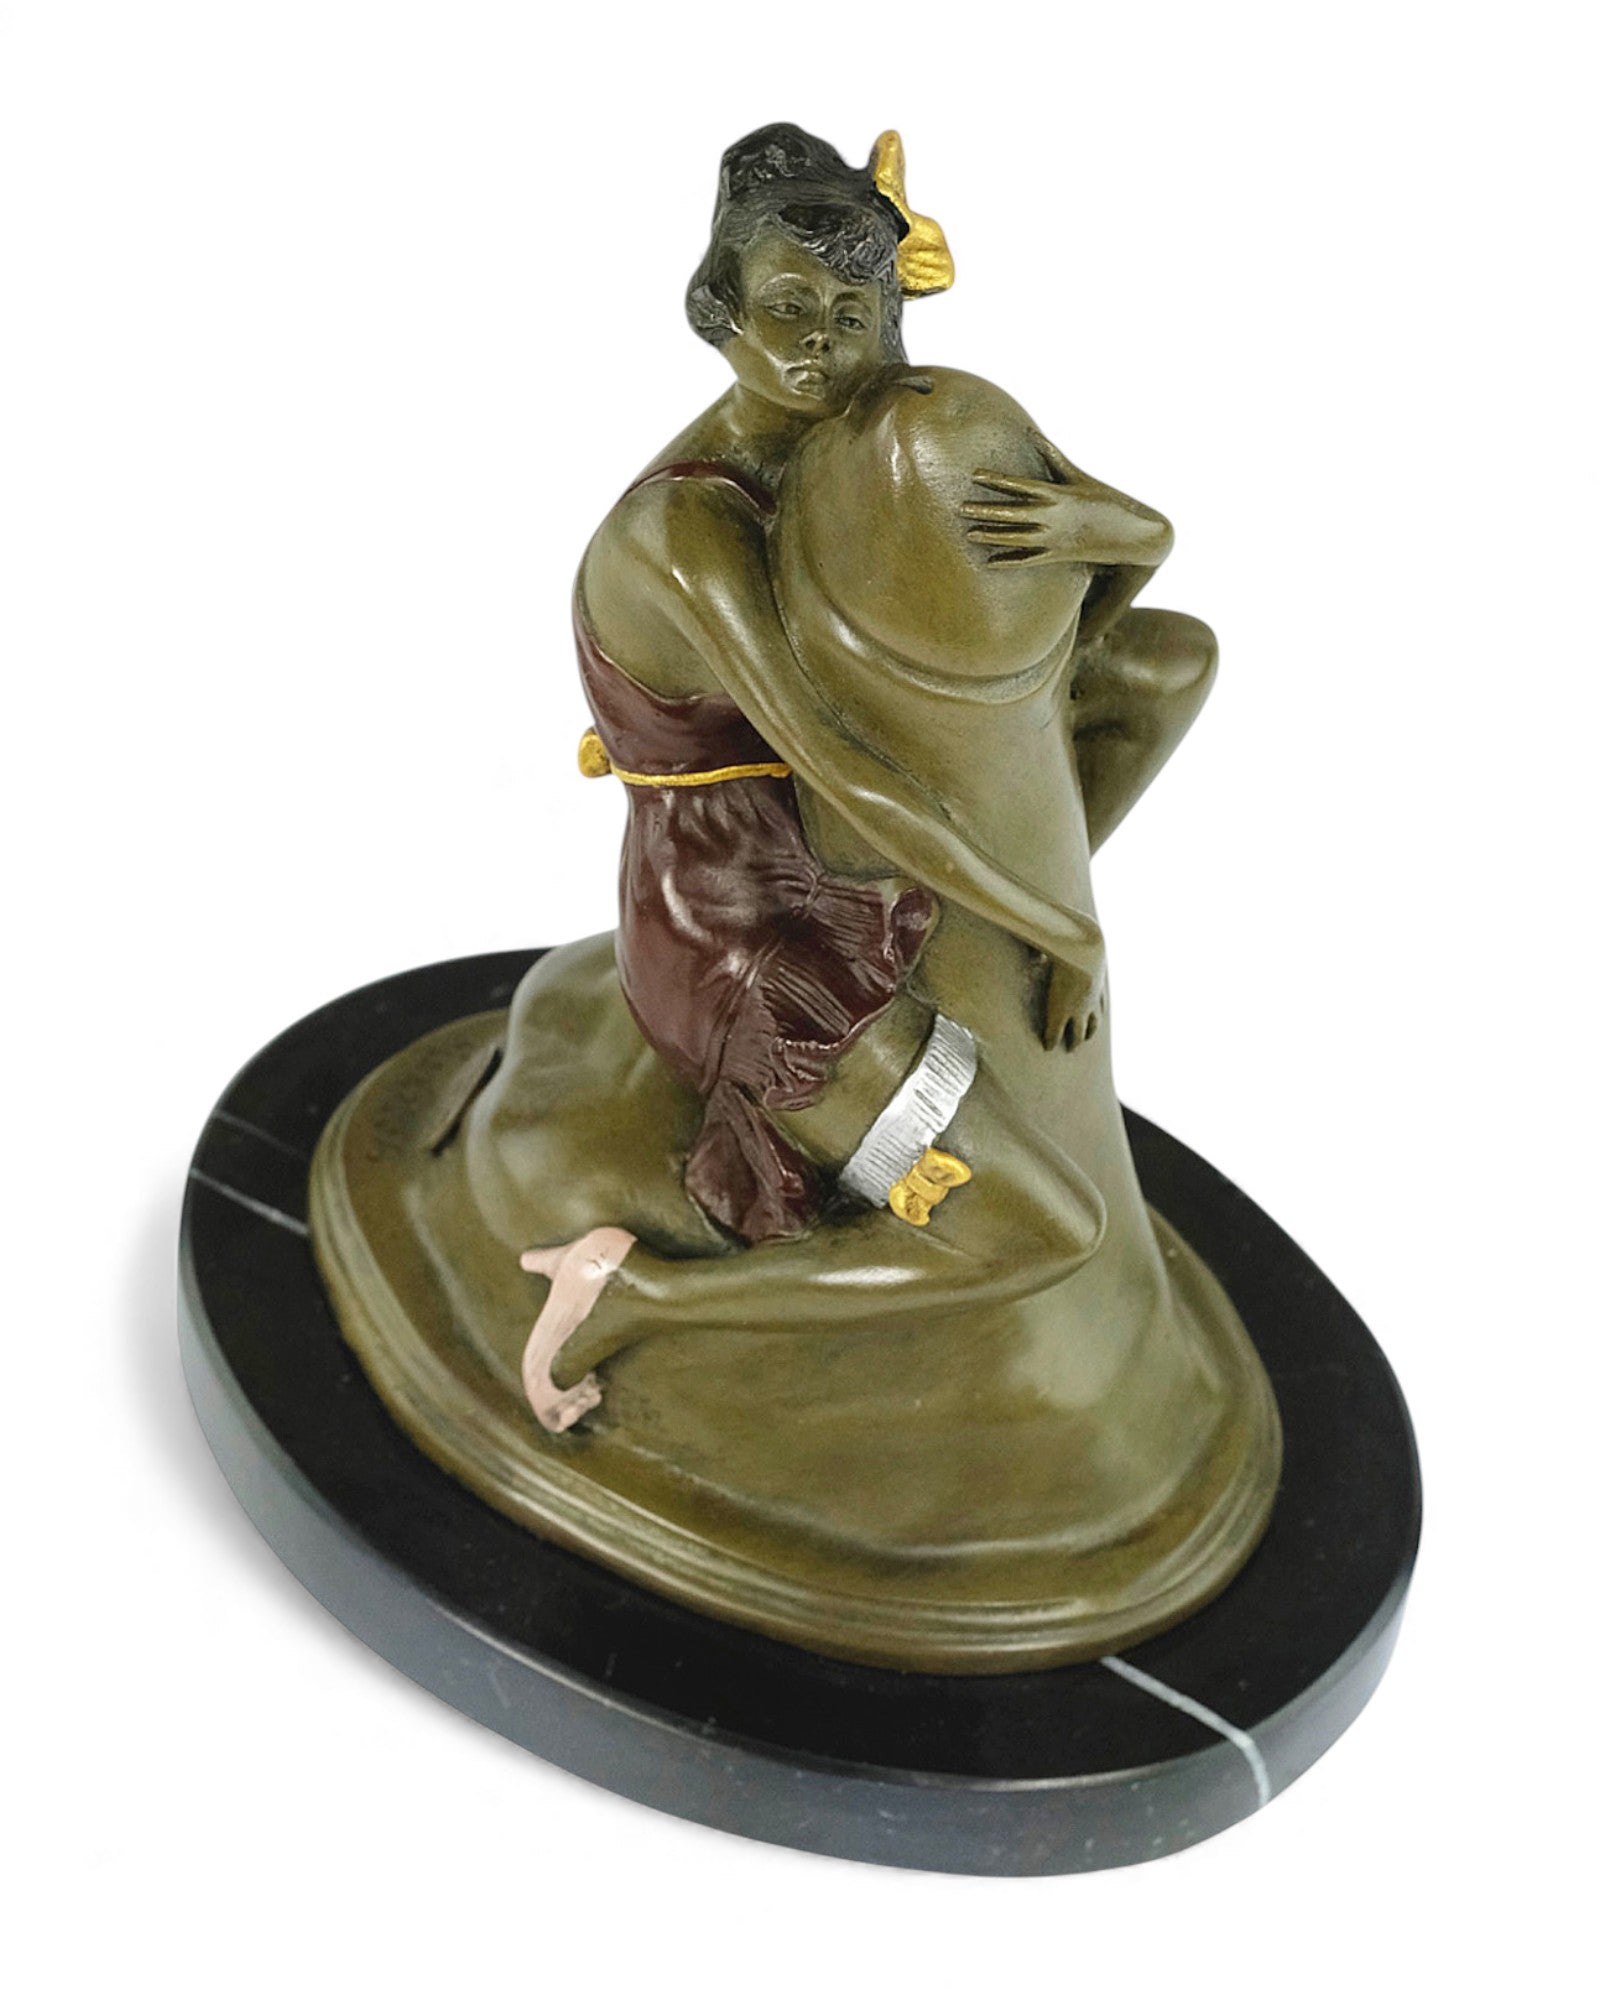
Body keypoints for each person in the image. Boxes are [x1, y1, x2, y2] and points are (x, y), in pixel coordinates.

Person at [487, 124, 1221, 1432]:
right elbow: (847, 763)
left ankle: (980, 926)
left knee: (1165, 668)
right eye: (786, 310)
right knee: (1039, 1230)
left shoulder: (863, 436)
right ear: (718, 311)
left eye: (853, 313)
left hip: (840, 836)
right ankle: (636, 1296)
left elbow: (1113, 587)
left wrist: (1091, 526)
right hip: (747, 929)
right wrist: (1068, 932)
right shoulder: (687, 528)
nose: (820, 345)